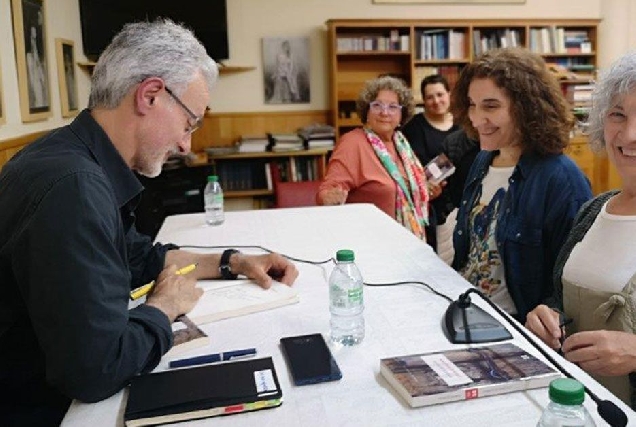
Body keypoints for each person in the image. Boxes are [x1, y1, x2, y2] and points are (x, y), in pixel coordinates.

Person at [0, 19, 298, 426]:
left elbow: (140, 258)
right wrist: (164, 307)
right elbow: (96, 370)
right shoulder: (75, 189)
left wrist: (234, 262)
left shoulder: (70, 157)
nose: (185, 143)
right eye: (190, 123)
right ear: (151, 95)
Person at [525, 51, 636, 408]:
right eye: (618, 114)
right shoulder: (592, 210)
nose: (630, 134)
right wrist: (546, 315)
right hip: (577, 407)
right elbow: (561, 299)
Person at [450, 47, 592, 323]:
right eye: (472, 104)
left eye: (491, 106)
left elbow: (572, 286)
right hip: (466, 310)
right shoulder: (483, 160)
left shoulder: (562, 178)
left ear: (527, 108)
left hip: (515, 327)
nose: (477, 118)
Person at [317, 75, 429, 240]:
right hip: (369, 242)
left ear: (401, 115)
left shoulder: (402, 144)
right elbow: (327, 191)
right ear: (367, 112)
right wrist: (329, 197)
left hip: (406, 243)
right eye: (377, 105)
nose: (384, 112)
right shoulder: (352, 143)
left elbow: (406, 192)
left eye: (392, 107)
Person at [402, 74, 461, 253]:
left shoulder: (464, 124)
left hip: (461, 201)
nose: (436, 101)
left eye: (440, 94)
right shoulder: (413, 128)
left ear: (449, 94)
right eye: (430, 97)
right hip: (429, 204)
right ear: (424, 100)